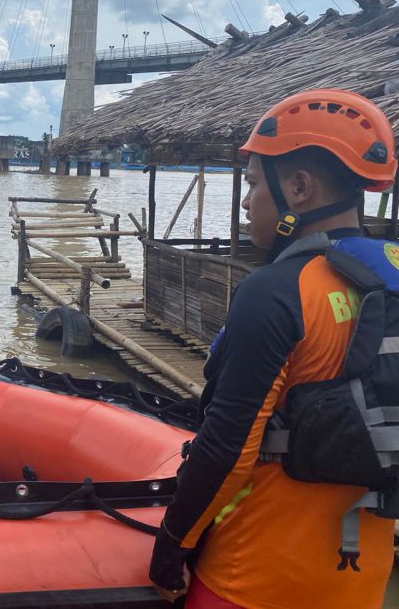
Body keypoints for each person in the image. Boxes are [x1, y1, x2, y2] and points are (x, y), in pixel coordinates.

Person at [149, 89, 399, 609]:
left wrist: (172, 546)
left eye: (254, 184)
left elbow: (227, 449)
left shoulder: (277, 291)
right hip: (361, 581)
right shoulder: (392, 282)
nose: (246, 202)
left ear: (300, 189)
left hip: (251, 581)